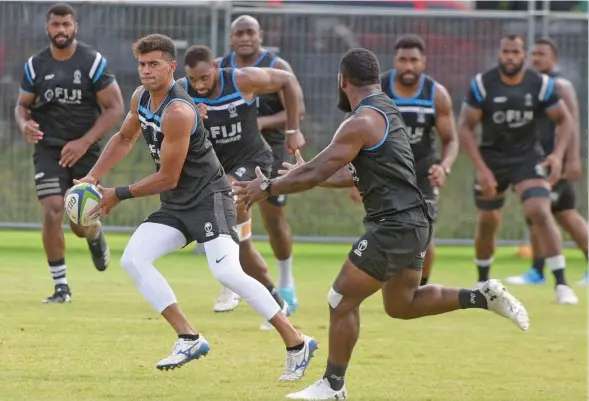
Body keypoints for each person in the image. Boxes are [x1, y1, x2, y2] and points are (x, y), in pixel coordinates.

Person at [232, 47, 529, 400]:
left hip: (395, 224)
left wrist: (267, 185)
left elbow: (318, 170)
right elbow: (345, 172)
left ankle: (333, 385)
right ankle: (481, 296)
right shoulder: (385, 110)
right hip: (411, 222)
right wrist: (303, 173)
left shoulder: (361, 121)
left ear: (342, 81)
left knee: (340, 299)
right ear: (375, 79)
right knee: (401, 305)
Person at [75, 33, 317, 375]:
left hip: (209, 199)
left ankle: (297, 342)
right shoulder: (140, 98)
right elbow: (124, 136)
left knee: (226, 272)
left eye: (154, 64)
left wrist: (119, 193)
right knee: (133, 259)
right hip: (176, 204)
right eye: (142, 64)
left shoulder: (177, 110)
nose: (146, 71)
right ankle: (188, 337)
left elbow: (168, 177)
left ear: (172, 67)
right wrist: (93, 177)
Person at [178, 45, 303, 329]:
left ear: (215, 67)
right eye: (193, 80)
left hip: (253, 162)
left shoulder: (241, 79)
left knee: (230, 200)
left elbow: (286, 80)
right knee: (241, 243)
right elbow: (161, 124)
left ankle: (235, 283)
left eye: (204, 78)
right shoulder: (182, 91)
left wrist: (293, 131)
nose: (199, 85)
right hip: (216, 169)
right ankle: (272, 300)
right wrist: (190, 116)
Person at [14, 2, 124, 303]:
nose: (60, 30)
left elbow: (115, 107)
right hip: (49, 149)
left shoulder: (92, 62)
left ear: (74, 26)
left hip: (85, 151)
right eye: (55, 25)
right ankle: (61, 287)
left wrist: (85, 142)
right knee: (52, 210)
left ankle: (94, 234)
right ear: (47, 27)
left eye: (66, 24)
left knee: (80, 223)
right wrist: (24, 123)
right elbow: (22, 105)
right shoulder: (36, 65)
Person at [458, 34, 578, 304]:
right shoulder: (483, 84)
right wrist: (480, 168)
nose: (510, 57)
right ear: (499, 54)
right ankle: (482, 281)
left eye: (515, 52)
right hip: (491, 159)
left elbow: (565, 119)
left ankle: (561, 284)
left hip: (526, 158)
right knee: (489, 221)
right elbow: (465, 126)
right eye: (506, 52)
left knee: (539, 210)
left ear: (523, 55)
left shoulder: (540, 84)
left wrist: (558, 156)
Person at [217, 14, 306, 313]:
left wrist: (259, 122)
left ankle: (286, 282)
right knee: (229, 210)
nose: (245, 37)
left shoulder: (277, 67)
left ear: (260, 35)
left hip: (271, 150)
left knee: (274, 220)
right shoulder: (220, 67)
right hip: (231, 151)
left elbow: (298, 111)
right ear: (231, 37)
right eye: (239, 32)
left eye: (250, 32)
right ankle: (231, 283)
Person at [356, 34, 458, 285]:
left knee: (424, 235)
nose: (408, 66)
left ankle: (421, 286)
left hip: (423, 171)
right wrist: (352, 177)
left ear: (424, 62)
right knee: (381, 230)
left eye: (414, 60)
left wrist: (444, 167)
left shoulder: (436, 94)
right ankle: (377, 281)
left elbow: (451, 140)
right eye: (403, 60)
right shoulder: (378, 90)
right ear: (395, 61)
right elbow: (355, 133)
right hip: (384, 172)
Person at [506, 38, 588, 286]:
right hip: (540, 161)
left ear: (554, 58)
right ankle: (537, 271)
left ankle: (538, 271)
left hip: (555, 162)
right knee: (559, 213)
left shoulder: (560, 85)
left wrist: (571, 159)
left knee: (549, 213)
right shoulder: (538, 85)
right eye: (534, 54)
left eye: (542, 54)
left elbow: (571, 122)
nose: (536, 58)